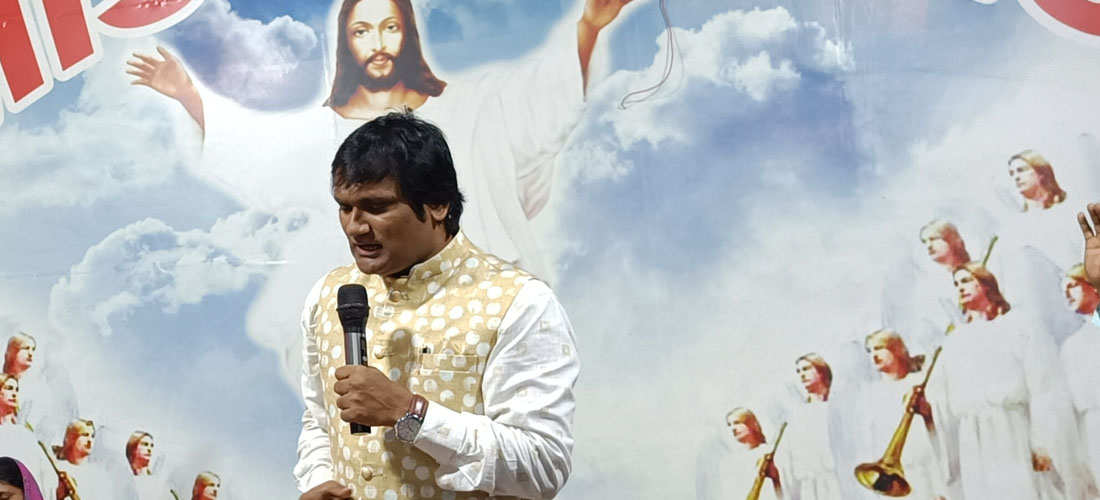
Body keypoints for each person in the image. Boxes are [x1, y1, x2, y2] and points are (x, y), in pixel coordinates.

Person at [294, 112, 580, 500]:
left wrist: (410, 413)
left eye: (376, 207)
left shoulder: (518, 302)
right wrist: (317, 480)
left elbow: (541, 465)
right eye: (345, 207)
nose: (355, 226)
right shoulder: (330, 294)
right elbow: (319, 421)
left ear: (438, 204)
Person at [920, 262, 1087, 500]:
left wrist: (1042, 442)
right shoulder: (955, 341)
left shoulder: (1018, 325)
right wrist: (927, 410)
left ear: (986, 284)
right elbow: (942, 401)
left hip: (1012, 429)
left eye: (966, 281)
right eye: (956, 284)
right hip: (972, 440)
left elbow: (1043, 385)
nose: (960, 288)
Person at [859, 330, 947, 500]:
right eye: (870, 351)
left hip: (927, 469)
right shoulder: (873, 395)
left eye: (880, 348)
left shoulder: (922, 382)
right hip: (895, 479)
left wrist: (927, 413)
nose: (874, 356)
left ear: (897, 349)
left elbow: (941, 431)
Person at [773, 354, 842, 500]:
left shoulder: (838, 408)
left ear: (821, 372)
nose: (802, 375)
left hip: (837, 482)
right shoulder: (798, 415)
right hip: (808, 488)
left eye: (806, 369)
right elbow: (786, 459)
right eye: (799, 371)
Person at [53, 419, 115, 500]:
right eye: (85, 435)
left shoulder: (99, 476)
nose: (90, 441)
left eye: (92, 436)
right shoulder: (56, 468)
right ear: (71, 438)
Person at [127, 431, 175, 500]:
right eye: (145, 444)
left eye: (151, 446)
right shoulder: (126, 482)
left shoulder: (157, 483)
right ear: (133, 448)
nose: (149, 449)